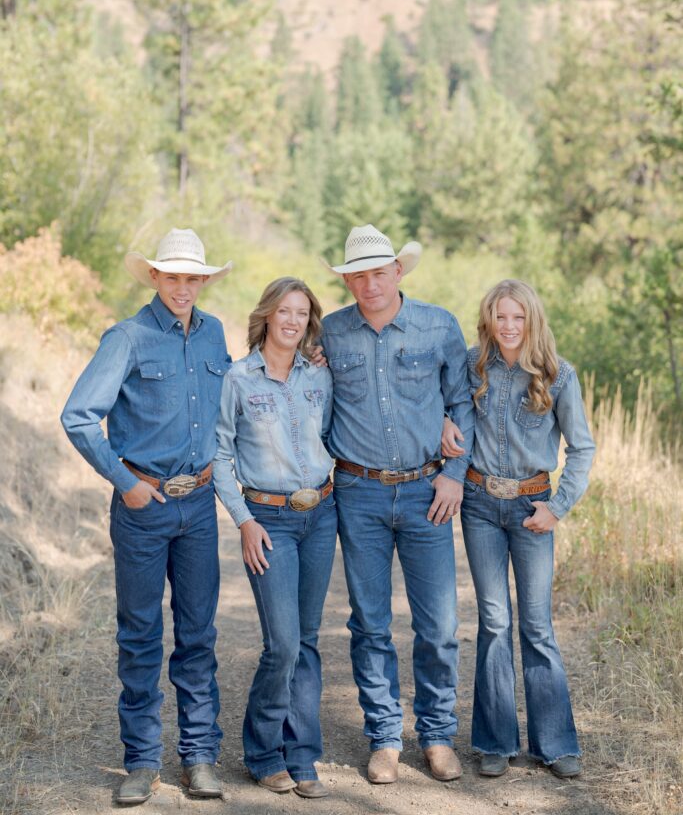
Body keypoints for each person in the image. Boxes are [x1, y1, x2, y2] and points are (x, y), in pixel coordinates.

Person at [61, 228, 232, 806]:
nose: (183, 287)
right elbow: (79, 415)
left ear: (204, 281)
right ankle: (140, 761)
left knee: (199, 635)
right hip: (143, 507)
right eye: (173, 276)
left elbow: (232, 401)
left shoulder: (213, 336)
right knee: (140, 636)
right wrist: (126, 482)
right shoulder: (127, 338)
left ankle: (199, 757)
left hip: (199, 507)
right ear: (155, 277)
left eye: (193, 278)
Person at [319, 224, 474, 785]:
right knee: (370, 623)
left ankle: (436, 735)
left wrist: (455, 475)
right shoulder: (330, 334)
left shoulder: (438, 326)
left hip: (426, 492)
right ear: (346, 280)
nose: (368, 284)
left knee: (438, 624)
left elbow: (463, 403)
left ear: (398, 272)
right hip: (357, 492)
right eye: (356, 276)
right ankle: (384, 736)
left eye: (377, 273)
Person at [454, 279, 595, 780]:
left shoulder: (558, 376)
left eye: (518, 317)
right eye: (500, 317)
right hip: (479, 505)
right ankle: (494, 742)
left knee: (536, 625)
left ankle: (555, 744)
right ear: (488, 319)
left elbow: (582, 448)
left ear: (532, 320)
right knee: (494, 621)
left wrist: (556, 508)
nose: (509, 327)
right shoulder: (471, 367)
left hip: (534, 509)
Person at [213, 277, 336, 800]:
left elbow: (330, 433)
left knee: (307, 640)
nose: (293, 321)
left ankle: (302, 753)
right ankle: (263, 752)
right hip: (269, 521)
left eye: (303, 313)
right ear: (266, 316)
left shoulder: (319, 377)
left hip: (320, 514)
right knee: (282, 643)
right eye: (284, 311)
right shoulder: (237, 379)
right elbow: (219, 455)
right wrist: (243, 520)